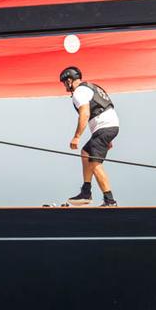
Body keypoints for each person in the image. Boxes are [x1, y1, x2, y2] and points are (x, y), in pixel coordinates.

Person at [60, 66, 119, 206]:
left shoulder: (79, 92)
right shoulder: (90, 87)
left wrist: (77, 136)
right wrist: (108, 138)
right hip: (108, 126)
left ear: (69, 80)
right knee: (86, 153)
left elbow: (85, 113)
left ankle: (110, 200)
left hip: (104, 126)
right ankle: (86, 192)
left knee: (95, 163)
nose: (64, 87)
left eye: (64, 83)